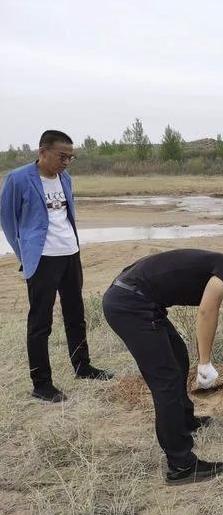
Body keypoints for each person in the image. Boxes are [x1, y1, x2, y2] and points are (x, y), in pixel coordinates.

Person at [102, 248, 223, 485]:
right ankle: (181, 465)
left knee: (177, 357)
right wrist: (205, 362)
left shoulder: (222, 263)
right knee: (166, 381)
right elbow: (207, 310)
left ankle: (185, 421)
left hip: (137, 299)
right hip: (131, 305)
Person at [0, 130, 113, 403]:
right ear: (43, 152)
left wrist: (72, 245)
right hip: (42, 259)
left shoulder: (66, 178)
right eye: (62, 156)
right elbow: (7, 220)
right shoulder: (18, 179)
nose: (66, 162)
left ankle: (82, 366)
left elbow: (65, 215)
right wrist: (24, 254)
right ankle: (41, 384)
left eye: (70, 157)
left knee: (76, 315)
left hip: (70, 253)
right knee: (40, 322)